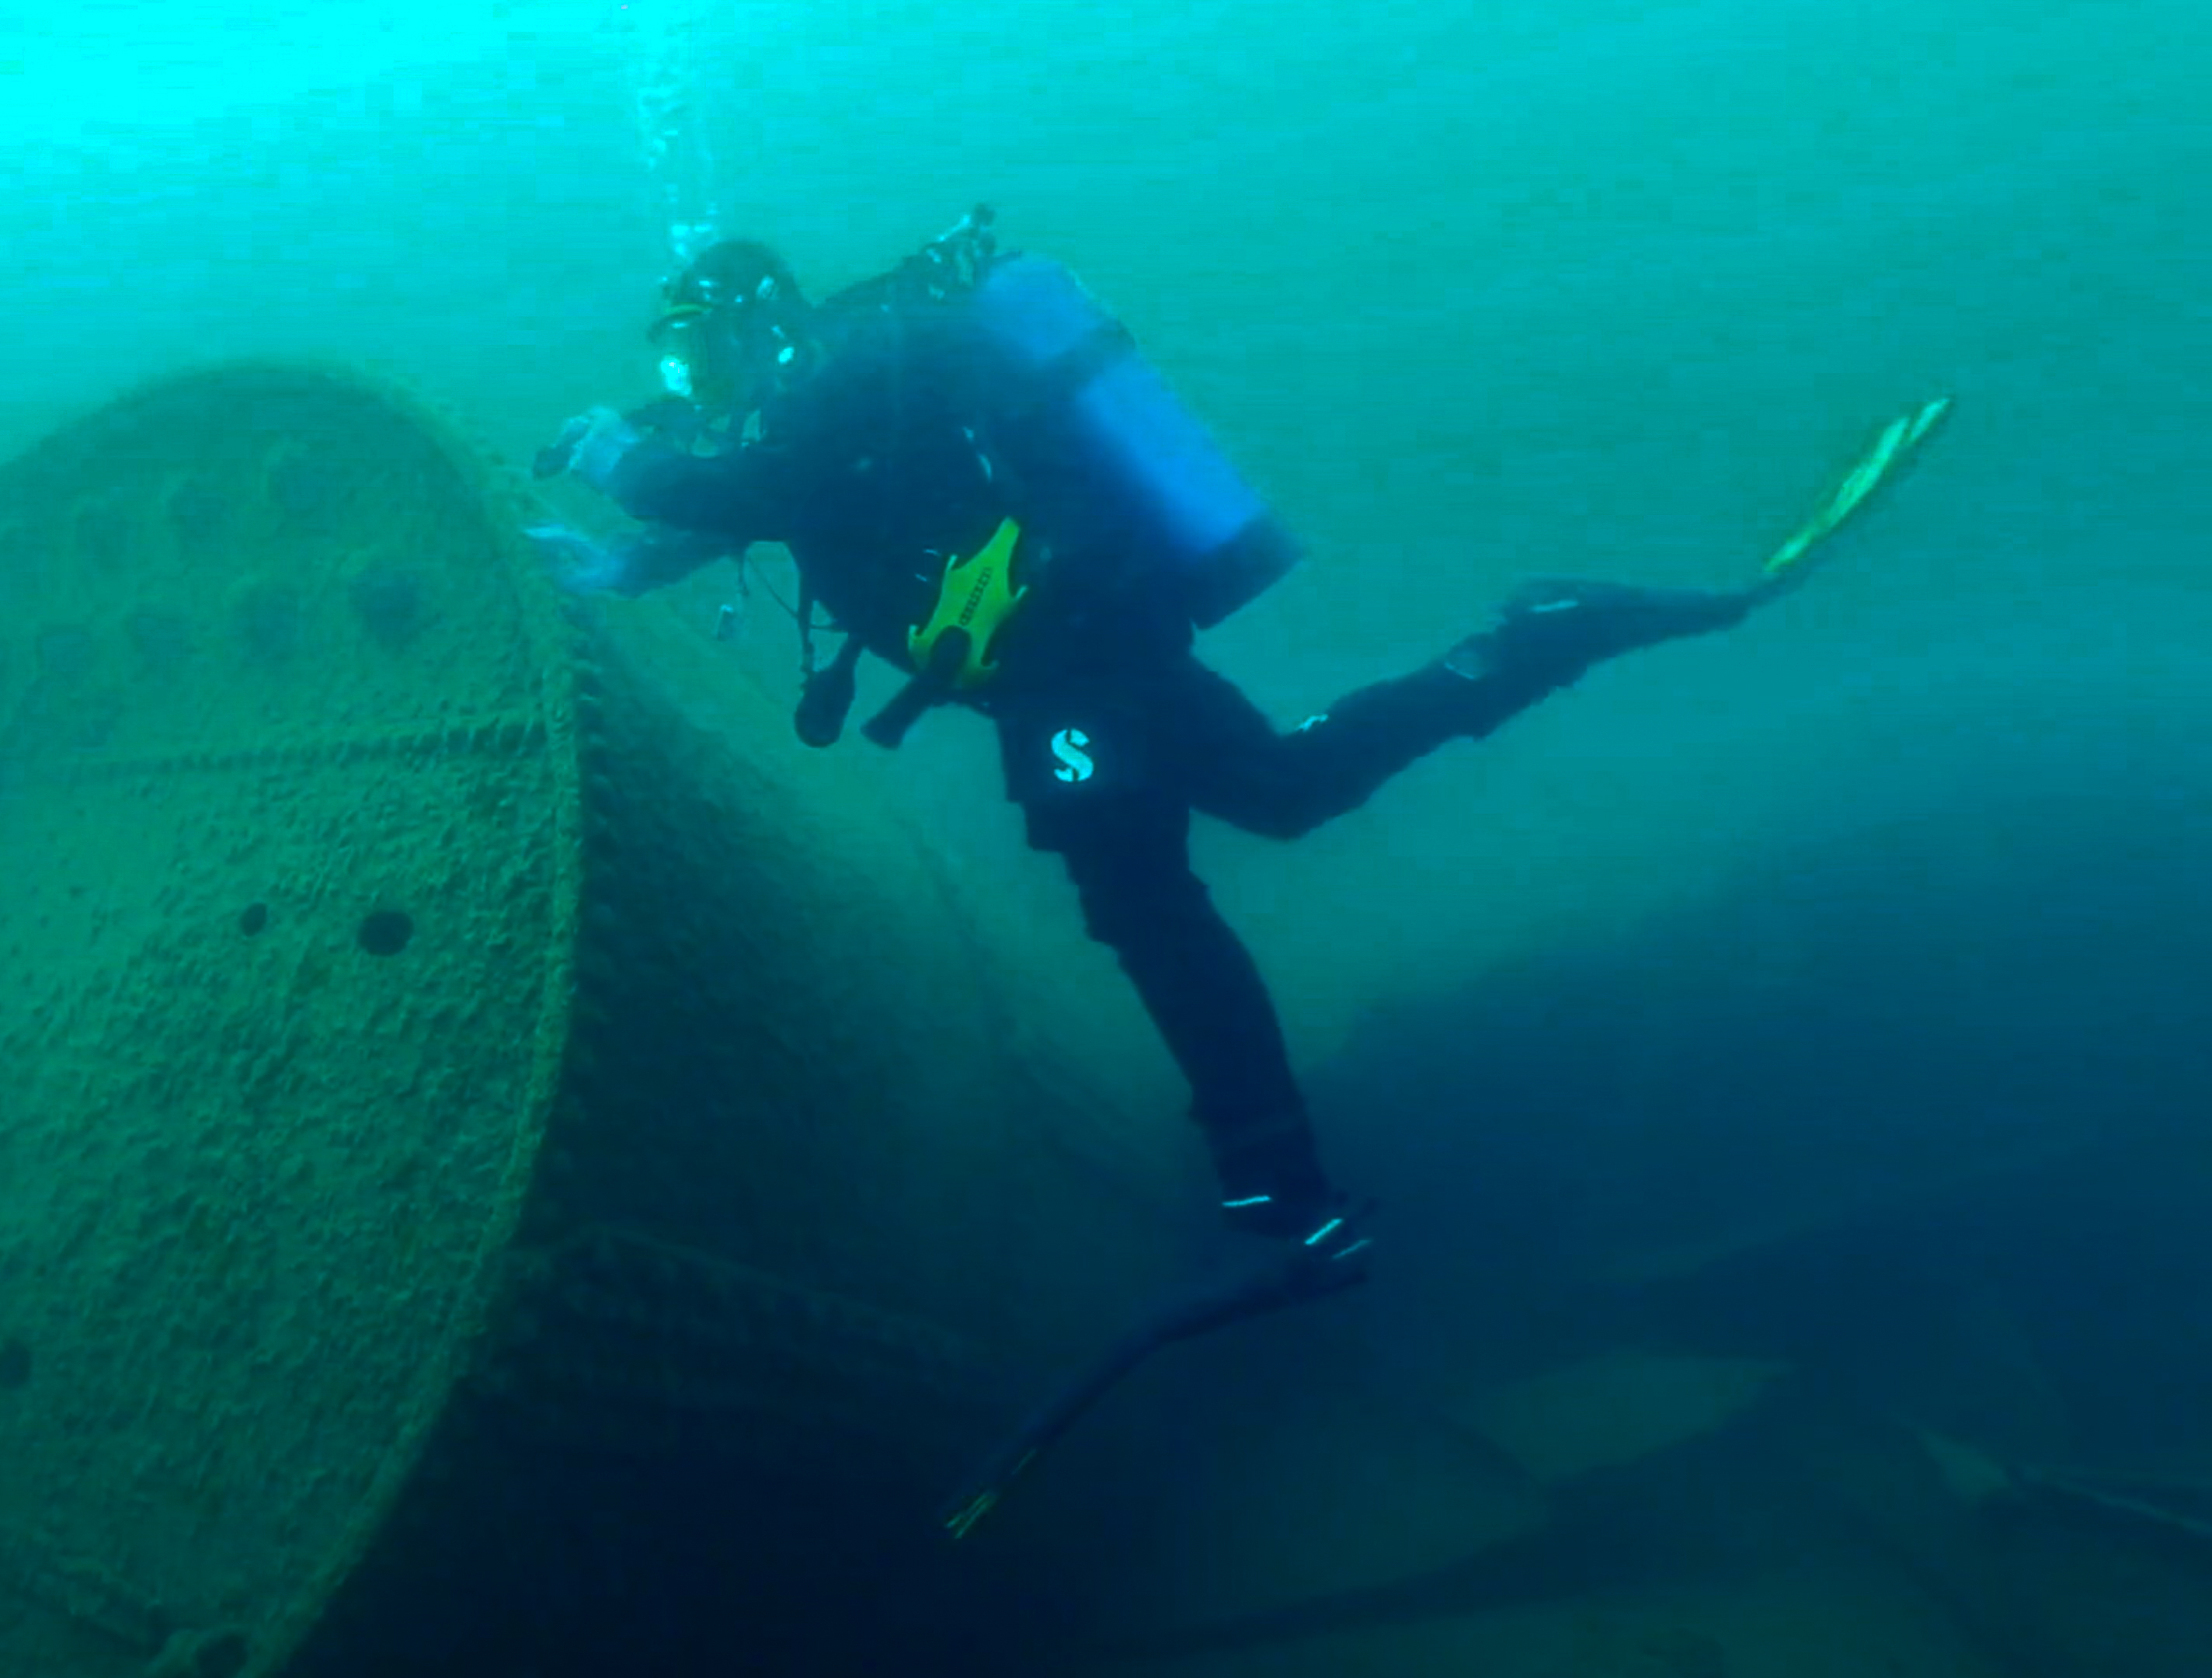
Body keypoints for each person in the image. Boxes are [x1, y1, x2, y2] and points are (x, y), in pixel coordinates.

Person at [530, 207, 1908, 1269]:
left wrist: (614, 458)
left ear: (764, 322)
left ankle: (1280, 1183)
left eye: (703, 349)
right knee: (1282, 794)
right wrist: (619, 570)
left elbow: (748, 484)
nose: (693, 380)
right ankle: (1534, 641)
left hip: (1075, 670)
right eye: (675, 362)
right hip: (1067, 669)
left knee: (1152, 909)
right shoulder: (821, 405)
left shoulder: (860, 365)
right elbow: (768, 501)